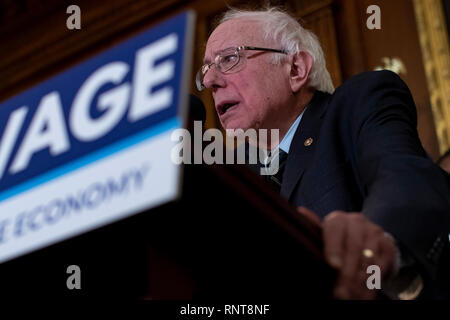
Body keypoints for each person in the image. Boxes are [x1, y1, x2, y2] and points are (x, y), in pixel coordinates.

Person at [196, 7, 450, 299]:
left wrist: (381, 241)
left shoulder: (358, 105)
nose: (211, 81)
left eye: (228, 59)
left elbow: (403, 176)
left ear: (295, 69)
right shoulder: (232, 171)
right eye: (206, 69)